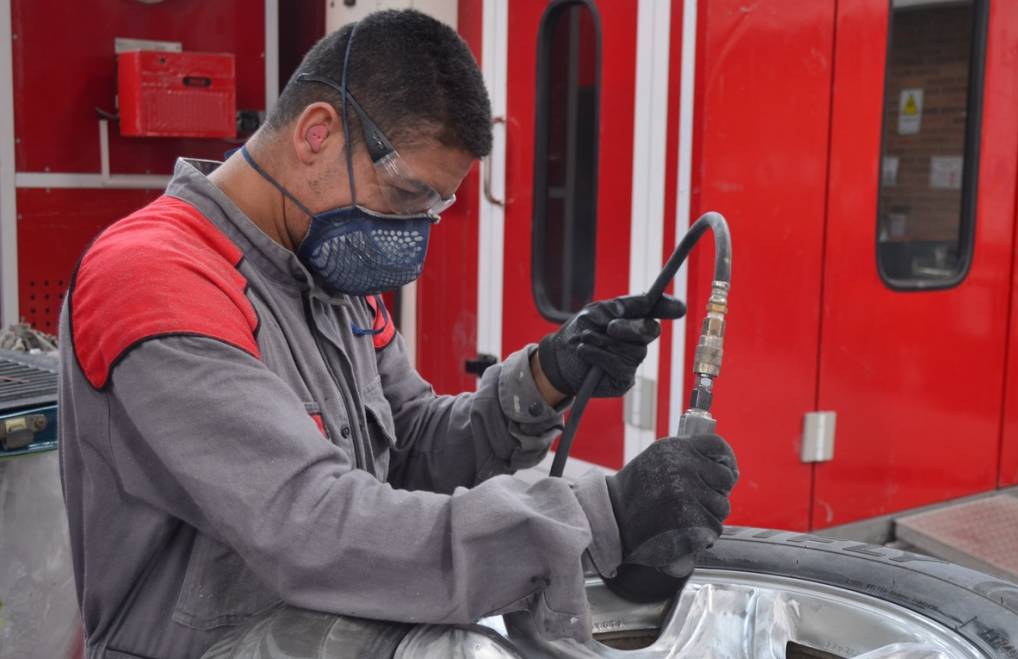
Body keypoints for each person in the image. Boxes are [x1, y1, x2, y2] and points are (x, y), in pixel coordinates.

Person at [57, 10, 737, 659]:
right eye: (407, 196)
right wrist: (598, 516)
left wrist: (548, 376)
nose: (413, 235)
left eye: (434, 209)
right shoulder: (158, 279)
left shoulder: (328, 274)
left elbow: (409, 444)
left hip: (335, 626)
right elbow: (314, 525)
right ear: (316, 133)